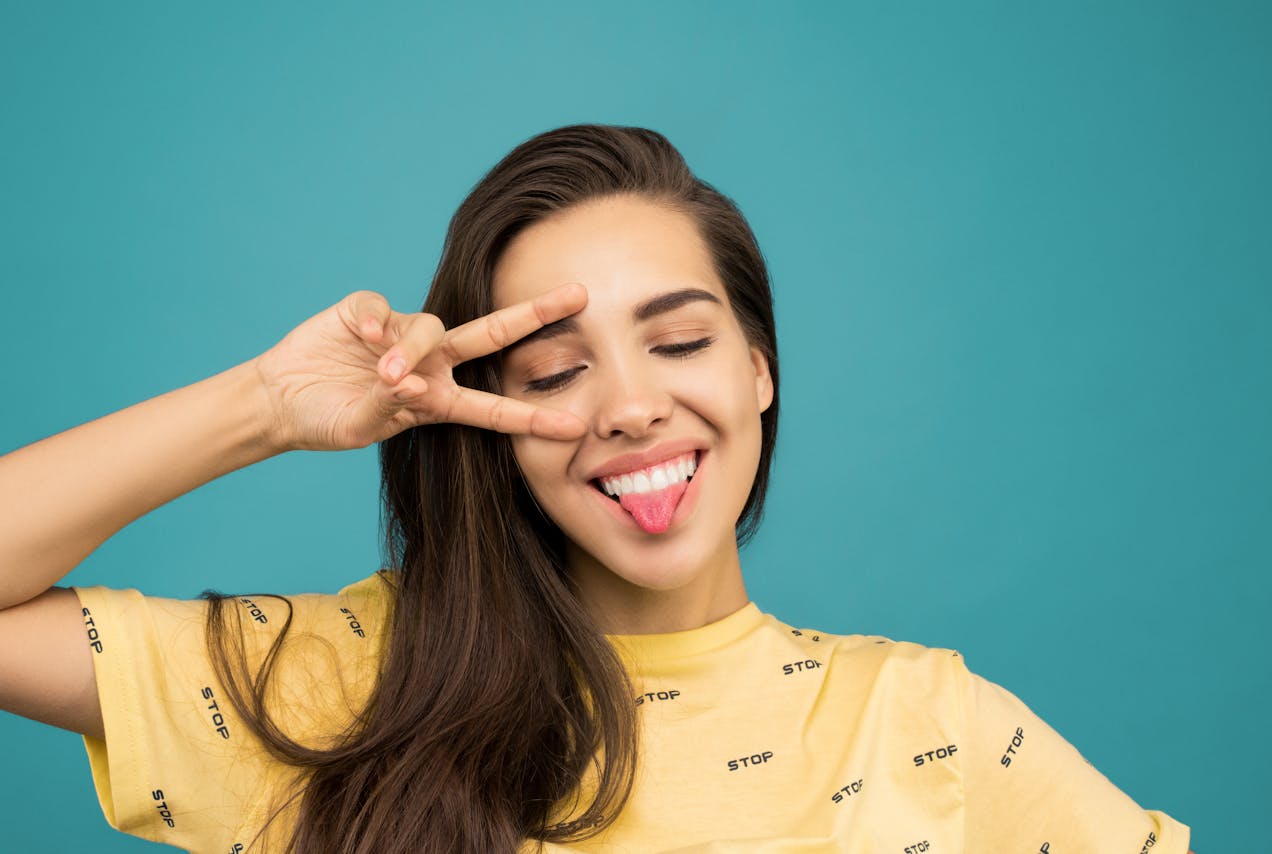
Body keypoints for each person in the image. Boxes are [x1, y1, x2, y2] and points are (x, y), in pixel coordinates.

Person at [0, 124, 1193, 853]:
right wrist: (264, 405)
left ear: (758, 370)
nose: (627, 406)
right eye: (556, 372)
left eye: (677, 342)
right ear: (491, 424)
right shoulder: (354, 683)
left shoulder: (930, 721)